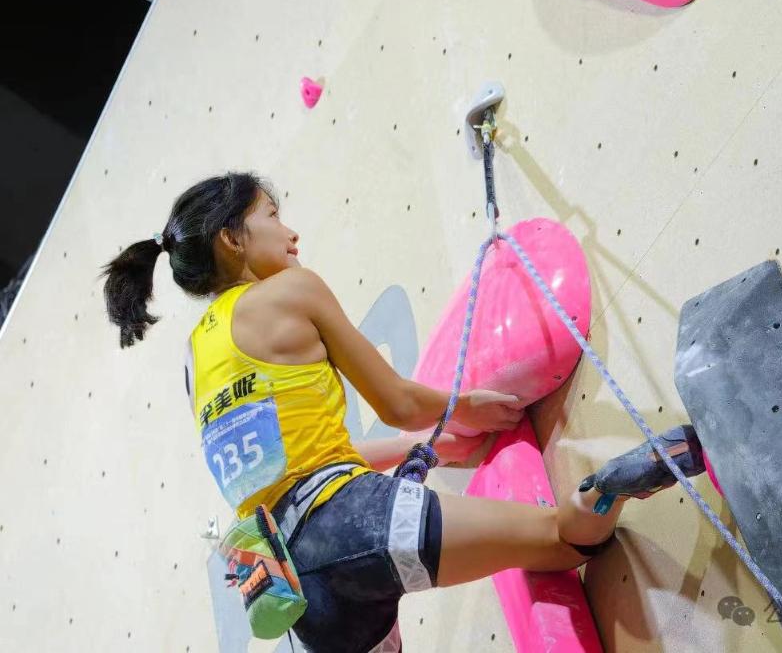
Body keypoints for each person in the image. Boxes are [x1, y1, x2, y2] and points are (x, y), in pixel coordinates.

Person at [101, 173, 704, 653]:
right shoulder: (292, 290)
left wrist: (427, 452)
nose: (291, 233)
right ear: (232, 238)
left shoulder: (194, 360)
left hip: (295, 590)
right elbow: (397, 403)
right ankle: (605, 489)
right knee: (560, 541)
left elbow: (297, 467)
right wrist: (465, 407)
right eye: (272, 215)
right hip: (356, 522)